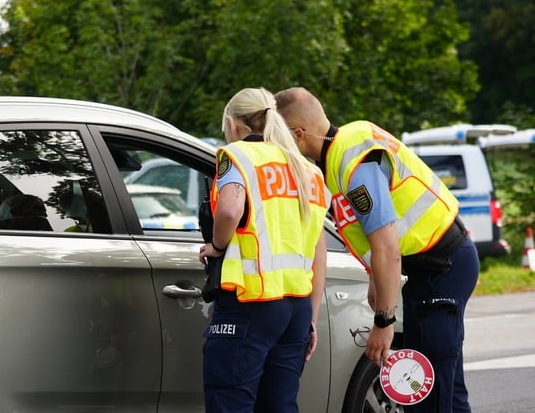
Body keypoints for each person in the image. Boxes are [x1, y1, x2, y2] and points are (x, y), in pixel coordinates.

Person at [273, 86, 479, 413]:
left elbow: (386, 245)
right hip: (440, 264)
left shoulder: (352, 159)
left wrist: (384, 322)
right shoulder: (345, 149)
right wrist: (374, 278)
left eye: (278, 138)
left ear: (298, 135)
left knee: (425, 396)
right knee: (445, 391)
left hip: (440, 266)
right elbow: (375, 234)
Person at [198, 87, 329, 413]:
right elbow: (317, 251)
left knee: (231, 401)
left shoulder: (237, 156)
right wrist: (311, 319)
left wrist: (216, 246)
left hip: (251, 303)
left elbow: (229, 211)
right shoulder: (307, 170)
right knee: (281, 405)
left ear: (233, 122)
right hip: (296, 311)